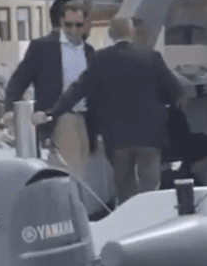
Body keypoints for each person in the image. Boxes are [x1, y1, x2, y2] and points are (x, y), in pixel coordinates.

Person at [49, 16, 184, 204]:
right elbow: (176, 90)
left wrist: (53, 112)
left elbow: (78, 89)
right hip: (150, 135)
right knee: (150, 186)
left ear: (111, 34)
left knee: (124, 186)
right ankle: (150, 222)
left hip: (117, 136)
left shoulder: (101, 59)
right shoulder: (151, 57)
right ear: (132, 33)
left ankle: (128, 223)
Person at [4, 0, 95, 164]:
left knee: (83, 166)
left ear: (85, 25)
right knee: (69, 168)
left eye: (78, 25)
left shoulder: (89, 52)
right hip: (57, 117)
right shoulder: (43, 47)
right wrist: (10, 109)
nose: (73, 30)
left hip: (86, 118)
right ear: (61, 22)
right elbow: (20, 79)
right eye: (68, 25)